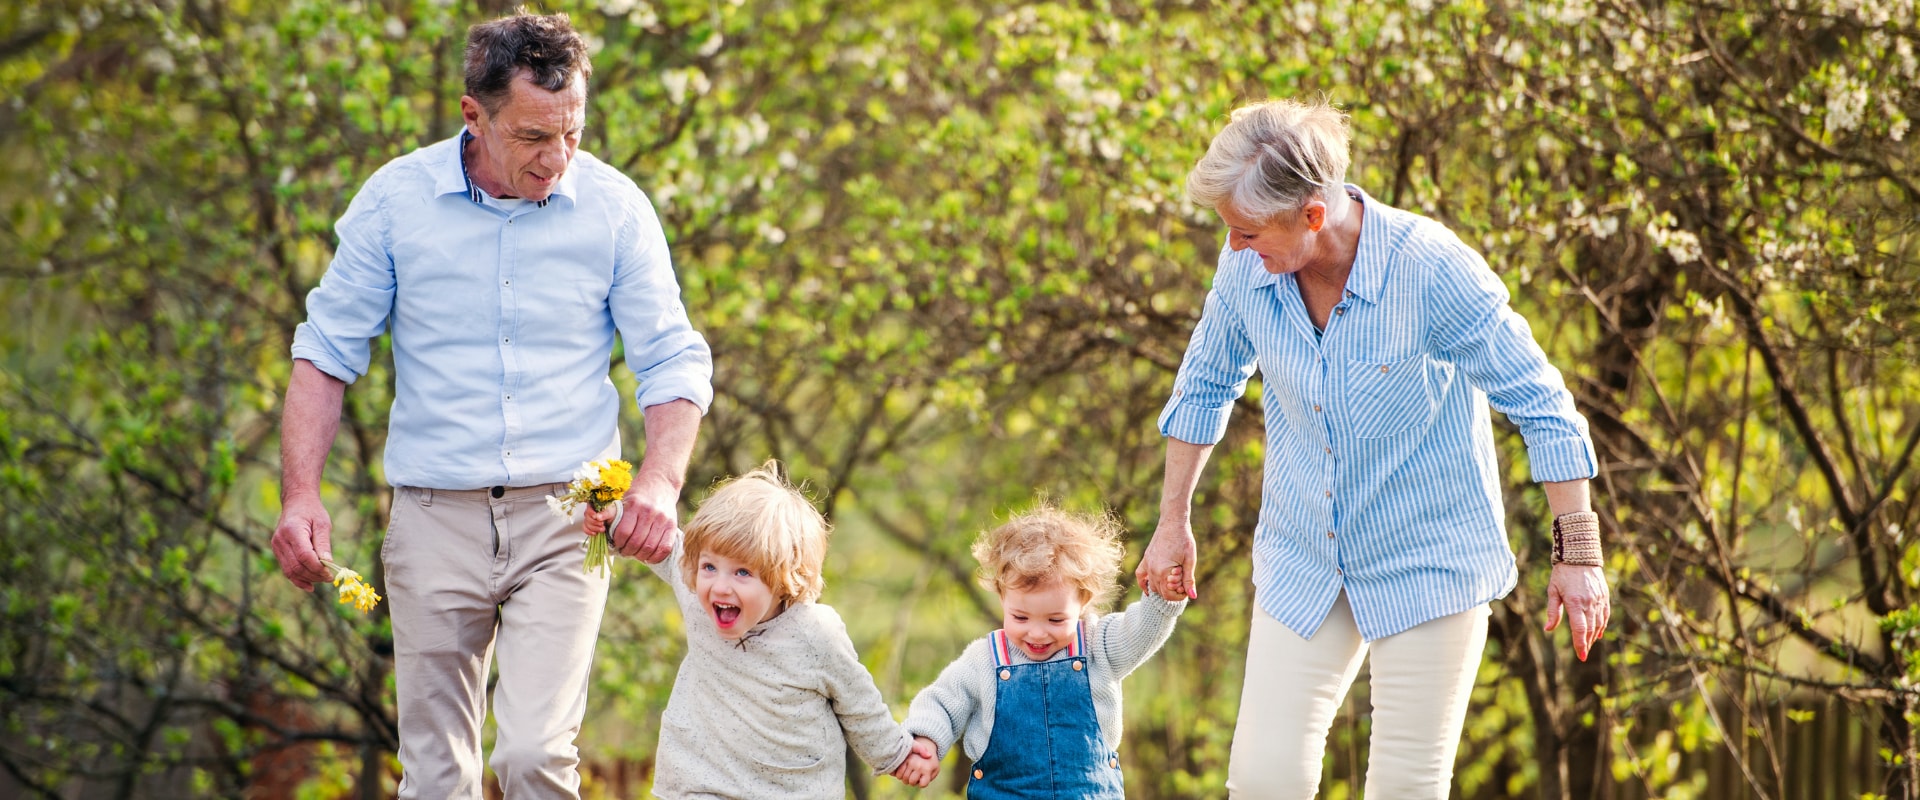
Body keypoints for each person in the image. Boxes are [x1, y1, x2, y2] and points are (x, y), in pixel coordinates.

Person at [268, 11, 712, 798]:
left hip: (568, 514)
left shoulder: (614, 209)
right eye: (535, 137)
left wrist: (659, 483)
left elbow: (672, 357)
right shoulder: (396, 203)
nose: (559, 157)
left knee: (535, 758)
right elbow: (325, 355)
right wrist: (301, 495)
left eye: (572, 131)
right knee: (438, 777)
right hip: (433, 515)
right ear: (474, 116)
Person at [1138, 99, 1612, 798]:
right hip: (1305, 555)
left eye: (1247, 232)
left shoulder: (1430, 269)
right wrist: (1172, 521)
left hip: (1428, 557)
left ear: (1311, 215)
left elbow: (1541, 402)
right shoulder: (1247, 268)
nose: (1235, 249)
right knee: (1263, 779)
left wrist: (1579, 552)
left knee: (1404, 787)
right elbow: (1204, 384)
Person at [583, 463, 920, 797]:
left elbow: (858, 703)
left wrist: (896, 754)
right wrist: (617, 520)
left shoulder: (815, 633)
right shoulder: (697, 590)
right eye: (710, 566)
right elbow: (662, 544)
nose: (720, 587)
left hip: (789, 789)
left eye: (742, 573)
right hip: (698, 782)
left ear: (784, 578)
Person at [899, 505, 1188, 798]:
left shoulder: (1098, 645)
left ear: (1083, 602)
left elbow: (1140, 632)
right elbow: (943, 702)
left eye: (1055, 619)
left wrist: (1163, 598)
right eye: (1020, 617)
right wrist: (926, 741)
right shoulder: (984, 659)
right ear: (1002, 597)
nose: (1037, 633)